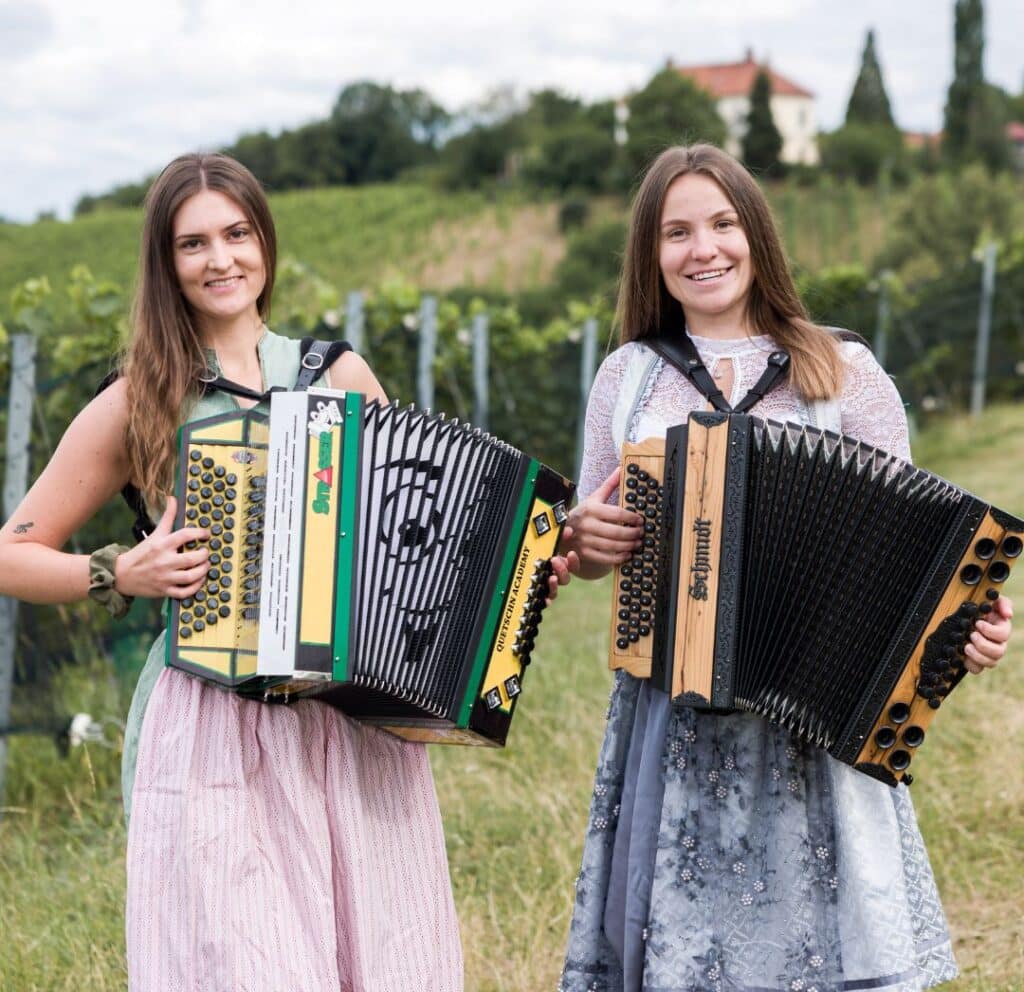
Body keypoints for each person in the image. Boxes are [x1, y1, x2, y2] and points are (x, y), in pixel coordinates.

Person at [0, 152, 479, 992]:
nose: (220, 259)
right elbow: (13, 552)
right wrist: (119, 572)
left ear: (265, 243)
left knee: (375, 953)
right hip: (212, 719)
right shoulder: (139, 399)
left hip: (347, 716)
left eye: (237, 234)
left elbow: (415, 536)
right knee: (246, 963)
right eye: (193, 244)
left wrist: (508, 577)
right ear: (166, 263)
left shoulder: (337, 374)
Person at [557, 144, 1014, 992]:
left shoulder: (842, 371)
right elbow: (584, 543)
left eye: (723, 224)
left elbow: (919, 550)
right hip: (672, 714)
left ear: (756, 235)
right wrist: (587, 540)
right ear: (651, 253)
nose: (704, 249)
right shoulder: (628, 378)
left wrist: (968, 627)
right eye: (677, 232)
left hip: (816, 716)